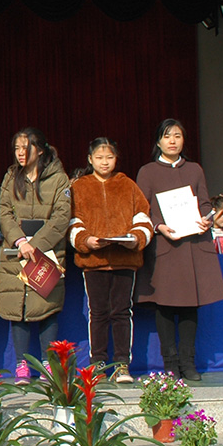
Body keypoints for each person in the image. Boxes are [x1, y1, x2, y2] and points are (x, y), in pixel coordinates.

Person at [135, 119, 223, 381]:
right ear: (158, 141)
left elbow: (205, 203)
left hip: (193, 246)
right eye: (167, 136)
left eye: (177, 135)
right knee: (164, 306)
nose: (172, 141)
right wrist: (158, 226)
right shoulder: (148, 171)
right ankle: (170, 363)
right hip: (165, 246)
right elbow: (142, 209)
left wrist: (207, 218)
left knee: (190, 306)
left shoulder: (195, 169)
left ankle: (188, 362)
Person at [68, 137, 152, 384]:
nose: (104, 162)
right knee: (98, 312)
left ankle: (122, 365)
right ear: (90, 159)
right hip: (94, 260)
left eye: (109, 157)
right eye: (99, 157)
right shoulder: (80, 187)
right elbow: (72, 220)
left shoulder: (128, 185)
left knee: (122, 312)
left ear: (116, 158)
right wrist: (85, 240)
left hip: (125, 260)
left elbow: (143, 217)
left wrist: (136, 238)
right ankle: (98, 364)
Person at [0, 127, 71, 386]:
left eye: (25, 148)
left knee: (46, 306)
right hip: (15, 251)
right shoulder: (10, 177)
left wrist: (35, 245)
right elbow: (5, 212)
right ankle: (22, 364)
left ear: (39, 150)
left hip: (46, 251)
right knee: (18, 307)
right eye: (16, 148)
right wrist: (20, 241)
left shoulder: (59, 179)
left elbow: (62, 216)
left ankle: (48, 363)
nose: (20, 153)